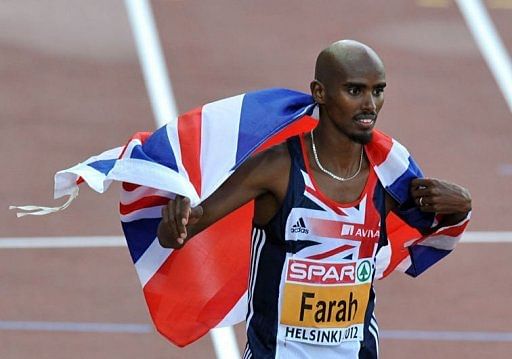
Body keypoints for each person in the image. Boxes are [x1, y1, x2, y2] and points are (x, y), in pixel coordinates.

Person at [157, 40, 472, 359]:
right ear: (320, 92)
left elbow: (431, 232)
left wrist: (462, 206)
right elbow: (179, 234)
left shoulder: (387, 177)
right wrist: (175, 223)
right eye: (355, 90)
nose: (369, 104)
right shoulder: (277, 169)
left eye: (378, 90)